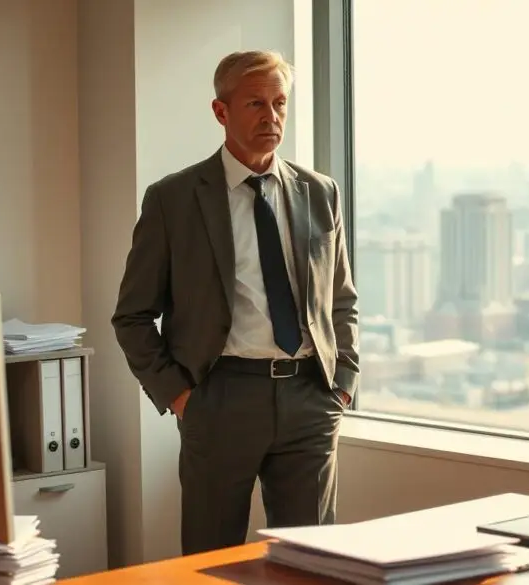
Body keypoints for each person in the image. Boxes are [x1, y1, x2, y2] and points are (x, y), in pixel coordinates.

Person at [111, 50, 359, 555]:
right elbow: (132, 316)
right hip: (219, 397)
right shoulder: (173, 200)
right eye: (255, 104)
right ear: (221, 112)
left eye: (279, 103)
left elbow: (340, 300)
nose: (271, 117)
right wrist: (180, 396)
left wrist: (343, 385)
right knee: (210, 557)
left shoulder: (319, 192)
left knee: (313, 563)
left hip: (309, 399)